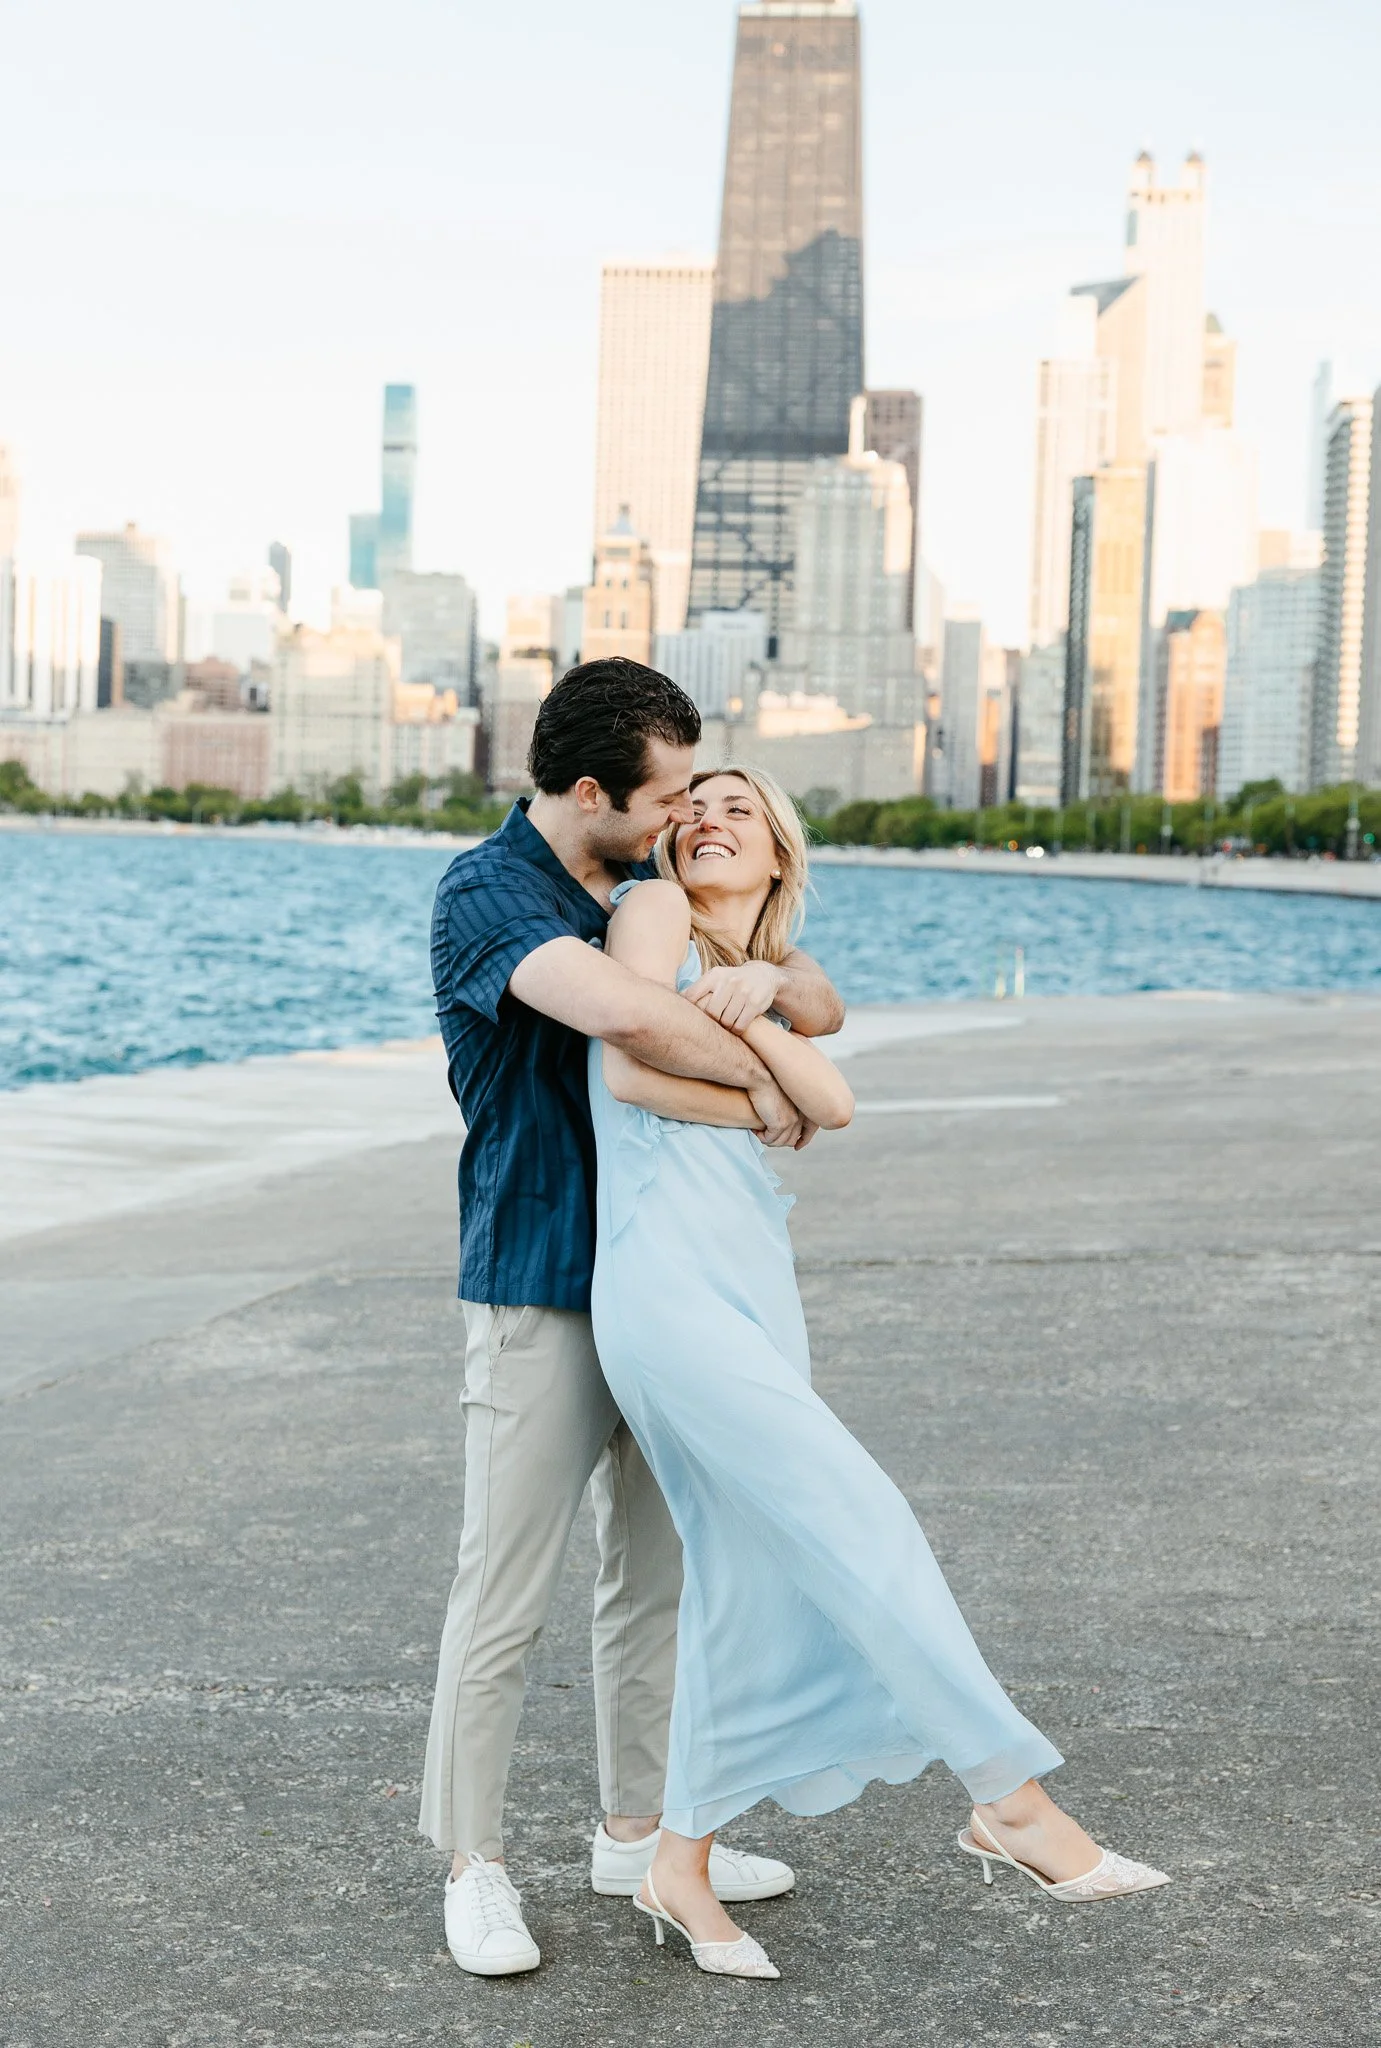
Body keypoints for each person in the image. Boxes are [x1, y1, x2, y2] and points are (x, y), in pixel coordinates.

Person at [587, 764, 1170, 1981]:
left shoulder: (774, 967)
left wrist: (773, 998)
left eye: (739, 806)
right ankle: (1008, 1798)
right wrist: (760, 1059)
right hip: (664, 1287)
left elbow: (834, 1082)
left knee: (748, 1576)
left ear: (781, 853)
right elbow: (631, 1066)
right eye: (693, 804)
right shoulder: (651, 915)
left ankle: (678, 1859)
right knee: (863, 1515)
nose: (706, 818)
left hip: (748, 1284)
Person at [419, 662, 846, 1977]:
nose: (679, 816)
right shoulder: (491, 895)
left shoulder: (639, 891)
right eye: (662, 794)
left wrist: (778, 1015)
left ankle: (632, 1834)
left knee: (652, 1581)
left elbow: (799, 980)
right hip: (545, 1277)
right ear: (592, 790)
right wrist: (778, 1075)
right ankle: (474, 1864)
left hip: (666, 1289)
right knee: (506, 1587)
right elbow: (622, 1021)